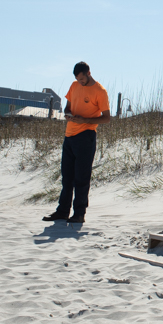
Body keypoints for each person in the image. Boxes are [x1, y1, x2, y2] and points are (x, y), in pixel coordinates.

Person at [42, 62, 110, 224]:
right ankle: (62, 212)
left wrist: (84, 120)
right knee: (67, 177)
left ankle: (79, 214)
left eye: (82, 79)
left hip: (86, 136)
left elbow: (107, 118)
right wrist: (67, 114)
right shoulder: (74, 86)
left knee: (81, 177)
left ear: (88, 73)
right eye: (77, 79)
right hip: (69, 135)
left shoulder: (100, 91)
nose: (80, 82)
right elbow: (67, 107)